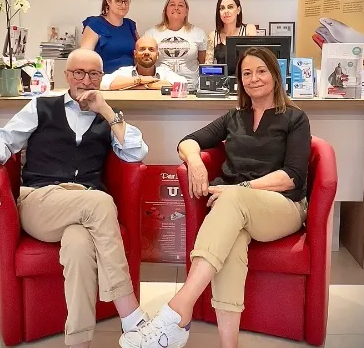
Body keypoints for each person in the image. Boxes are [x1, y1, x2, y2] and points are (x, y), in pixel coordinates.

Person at [119, 46, 310, 348]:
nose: (254, 78)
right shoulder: (235, 117)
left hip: (282, 206)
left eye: (261, 71)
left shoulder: (295, 118)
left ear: (275, 74)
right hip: (236, 210)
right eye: (247, 73)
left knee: (230, 199)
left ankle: (179, 308)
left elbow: (292, 176)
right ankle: (228, 344)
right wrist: (195, 161)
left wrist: (242, 189)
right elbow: (188, 141)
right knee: (232, 245)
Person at [0, 49, 150, 348]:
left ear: (101, 77)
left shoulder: (108, 116)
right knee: (101, 202)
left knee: (79, 246)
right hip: (40, 201)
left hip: (82, 208)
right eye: (79, 73)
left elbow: (135, 152)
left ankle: (79, 341)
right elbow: (1, 139)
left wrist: (106, 110)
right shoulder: (42, 106)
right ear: (67, 75)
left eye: (94, 74)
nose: (86, 80)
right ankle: (130, 314)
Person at [143, 0, 207, 91]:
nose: (176, 8)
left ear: (186, 12)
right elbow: (145, 63)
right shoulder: (151, 34)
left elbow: (203, 62)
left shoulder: (199, 34)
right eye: (172, 4)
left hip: (190, 89)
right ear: (165, 11)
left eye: (180, 5)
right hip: (160, 88)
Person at [80, 0, 139, 73]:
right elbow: (84, 58)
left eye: (126, 1)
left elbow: (140, 53)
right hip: (105, 78)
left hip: (131, 77)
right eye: (118, 1)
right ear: (108, 1)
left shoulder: (130, 25)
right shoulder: (95, 24)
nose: (123, 5)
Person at [101, 36, 187, 90]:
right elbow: (102, 83)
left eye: (151, 49)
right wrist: (139, 80)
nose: (146, 53)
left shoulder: (164, 72)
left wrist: (145, 85)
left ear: (157, 55)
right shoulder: (125, 71)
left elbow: (182, 84)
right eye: (142, 49)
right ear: (135, 54)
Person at [205, 0, 257, 65]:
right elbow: (208, 65)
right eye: (222, 8)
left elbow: (254, 61)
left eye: (230, 7)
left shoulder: (249, 29)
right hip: (222, 72)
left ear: (238, 10)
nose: (226, 11)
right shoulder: (213, 35)